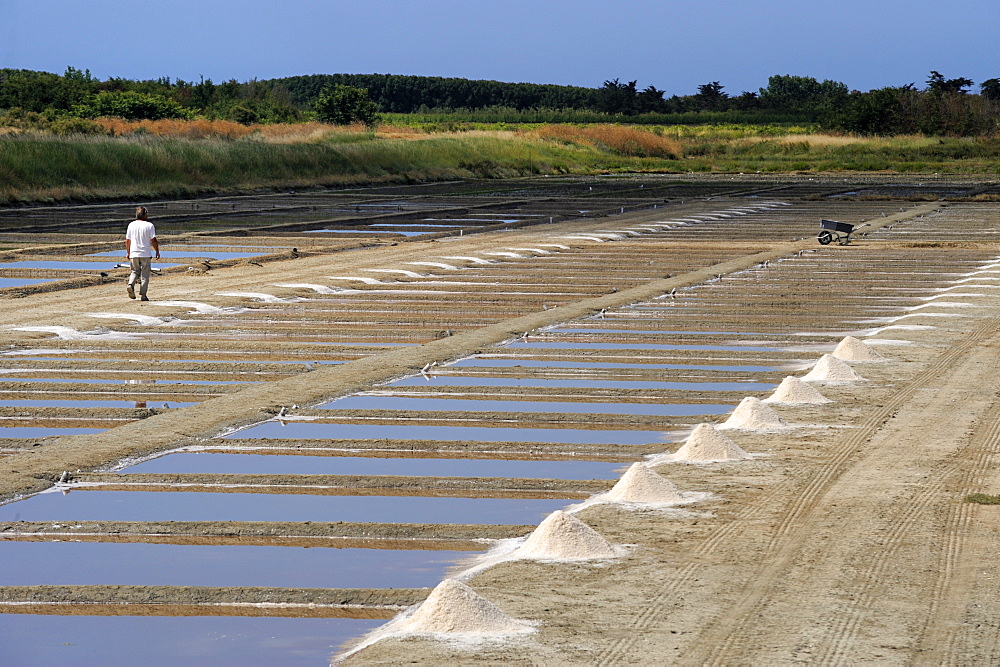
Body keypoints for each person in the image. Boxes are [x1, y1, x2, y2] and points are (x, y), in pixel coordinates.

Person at [124, 206, 160, 301]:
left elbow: (128, 240)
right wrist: (157, 251)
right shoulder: (149, 225)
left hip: (134, 253)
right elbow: (153, 240)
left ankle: (130, 285)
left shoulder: (131, 225)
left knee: (134, 271)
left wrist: (128, 252)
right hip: (145, 253)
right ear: (145, 215)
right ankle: (143, 295)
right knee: (145, 275)